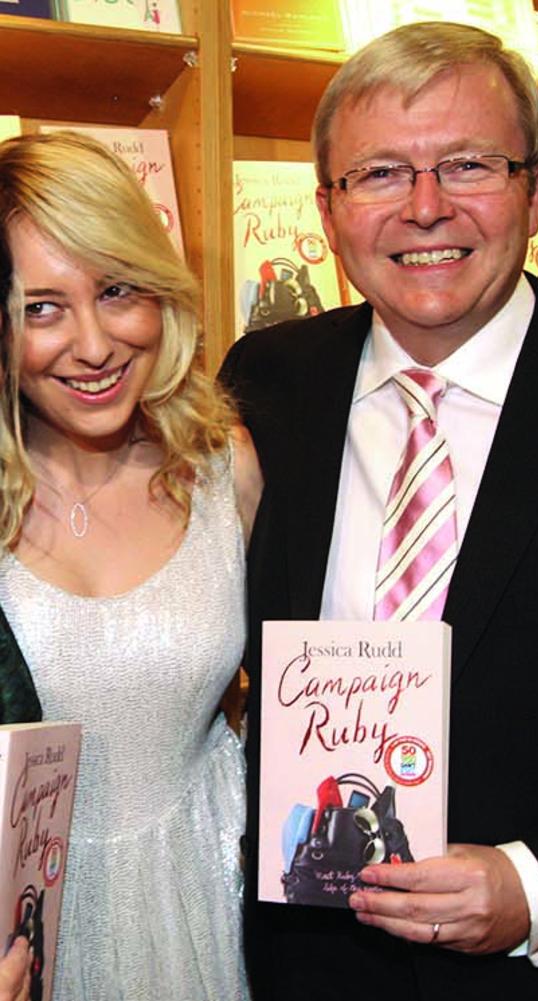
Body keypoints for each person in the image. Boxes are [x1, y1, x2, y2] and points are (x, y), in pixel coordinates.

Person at [220, 19, 538, 1001]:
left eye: (465, 164)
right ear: (327, 210)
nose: (424, 208)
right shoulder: (265, 384)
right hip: (303, 965)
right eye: (378, 173)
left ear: (535, 190)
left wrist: (536, 884)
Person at [0, 131, 261, 1001]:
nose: (94, 343)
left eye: (117, 289)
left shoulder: (228, 469)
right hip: (33, 939)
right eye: (40, 307)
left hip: (214, 900)